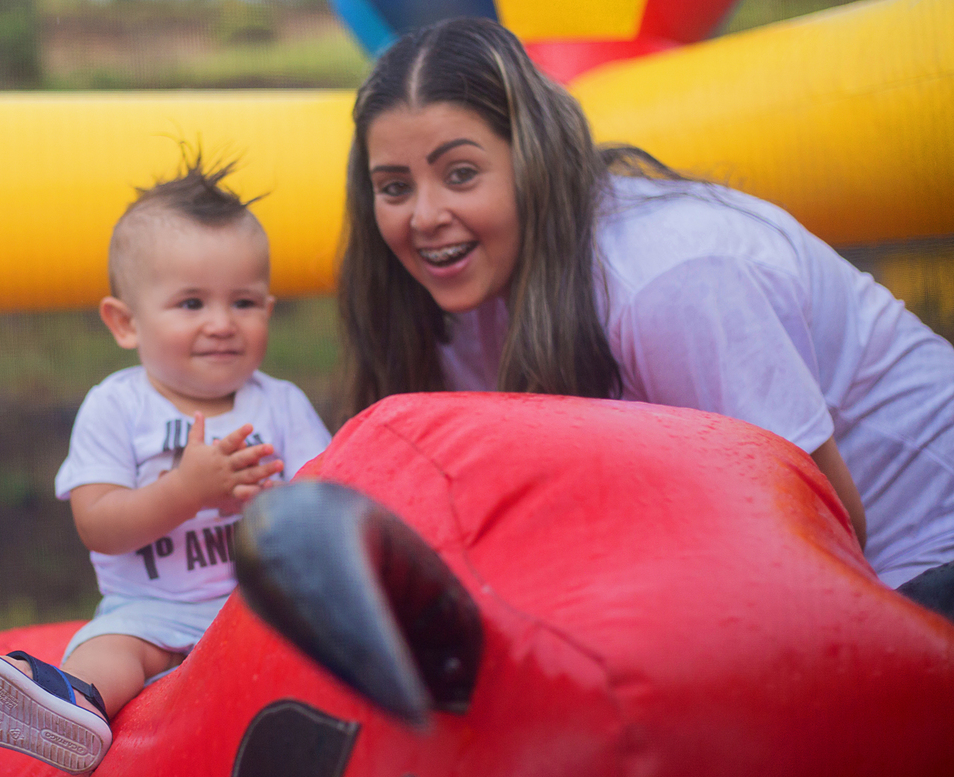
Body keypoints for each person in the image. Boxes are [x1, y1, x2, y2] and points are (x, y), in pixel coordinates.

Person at [338, 17, 954, 617]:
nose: (424, 216)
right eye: (394, 188)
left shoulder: (668, 280)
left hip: (922, 552)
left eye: (461, 174)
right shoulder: (451, 295)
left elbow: (829, 535)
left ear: (534, 159)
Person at [0, 158, 332, 773]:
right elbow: (99, 523)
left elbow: (329, 501)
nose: (222, 324)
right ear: (126, 322)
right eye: (192, 302)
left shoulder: (281, 404)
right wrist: (188, 490)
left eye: (245, 302)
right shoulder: (117, 406)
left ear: (269, 309)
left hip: (259, 610)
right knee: (110, 650)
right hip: (149, 613)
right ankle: (66, 703)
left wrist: (270, 504)